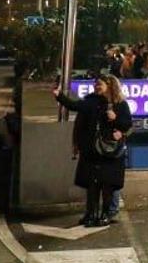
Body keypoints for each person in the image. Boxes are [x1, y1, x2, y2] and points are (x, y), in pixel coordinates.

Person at [55, 76, 133, 227]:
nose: (97, 87)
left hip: (110, 152)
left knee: (107, 185)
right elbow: (74, 106)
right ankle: (91, 214)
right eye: (96, 84)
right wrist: (59, 96)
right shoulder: (91, 101)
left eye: (100, 84)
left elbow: (127, 124)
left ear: (110, 86)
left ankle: (105, 214)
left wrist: (115, 119)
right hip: (92, 150)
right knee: (92, 184)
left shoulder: (120, 104)